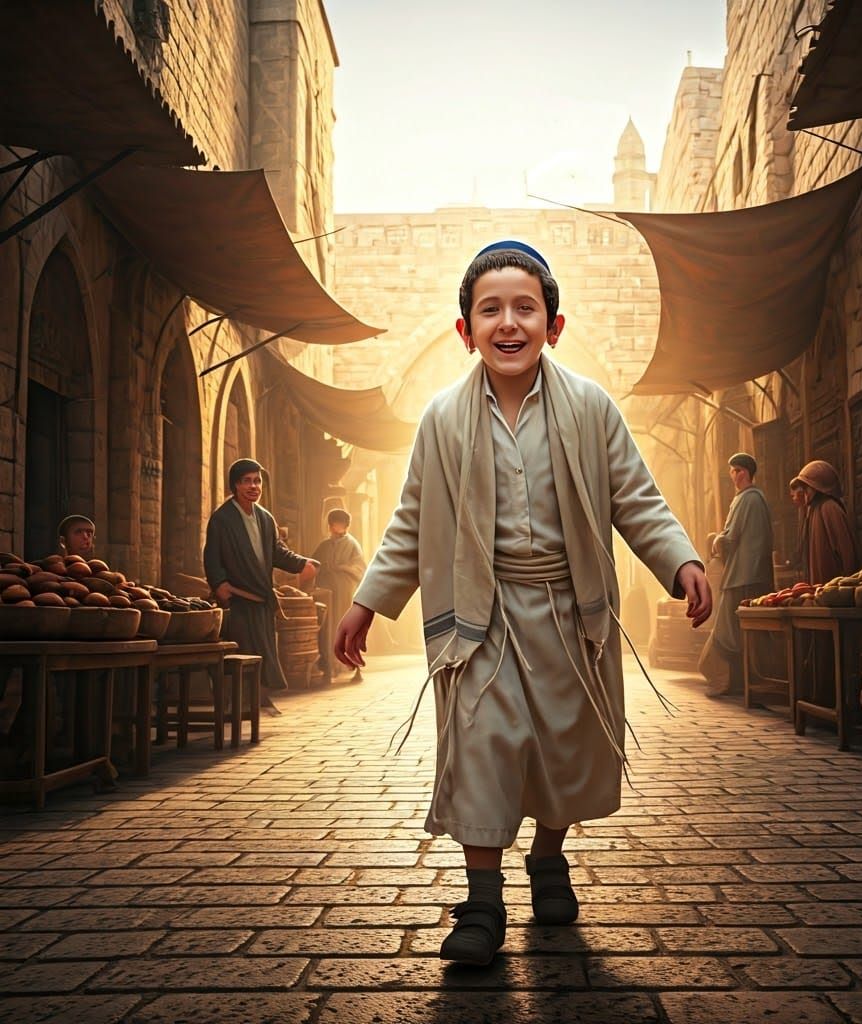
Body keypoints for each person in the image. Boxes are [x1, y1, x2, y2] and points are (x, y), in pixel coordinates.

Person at [334, 240, 711, 967]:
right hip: (480, 617)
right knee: (482, 746)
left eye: (524, 308)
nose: (509, 323)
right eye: (491, 309)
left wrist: (681, 559)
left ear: (553, 325)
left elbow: (636, 498)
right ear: (465, 329)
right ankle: (481, 900)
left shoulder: (591, 408)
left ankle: (547, 855)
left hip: (571, 617)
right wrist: (369, 601)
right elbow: (411, 520)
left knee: (562, 753)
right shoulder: (442, 420)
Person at [203, 458, 318, 715]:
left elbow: (277, 552)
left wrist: (302, 563)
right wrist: (219, 584)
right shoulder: (222, 519)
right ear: (235, 485)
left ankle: (259, 701)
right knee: (242, 650)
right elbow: (212, 556)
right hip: (237, 597)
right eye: (247, 481)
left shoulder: (265, 518)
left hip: (262, 599)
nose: (253, 486)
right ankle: (239, 704)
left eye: (257, 481)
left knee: (264, 652)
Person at [699, 453, 774, 697]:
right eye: (732, 471)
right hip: (752, 575)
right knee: (745, 632)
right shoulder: (756, 499)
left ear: (749, 473)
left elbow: (730, 538)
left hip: (742, 576)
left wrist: (715, 542)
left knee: (729, 631)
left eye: (739, 471)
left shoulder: (747, 499)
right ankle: (741, 683)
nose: (735, 475)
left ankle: (728, 682)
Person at [311, 509, 366, 681]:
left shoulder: (352, 544)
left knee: (348, 626)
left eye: (342, 523)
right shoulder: (324, 545)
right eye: (336, 523)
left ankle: (355, 667)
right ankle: (329, 667)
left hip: (345, 591)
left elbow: (359, 566)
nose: (339, 527)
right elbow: (314, 565)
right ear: (330, 525)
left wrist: (342, 568)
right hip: (328, 593)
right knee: (328, 627)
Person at [790, 460, 858, 584]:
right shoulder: (811, 509)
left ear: (817, 486)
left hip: (833, 586)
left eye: (807, 486)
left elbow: (846, 551)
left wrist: (849, 582)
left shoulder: (829, 508)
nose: (804, 491)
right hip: (820, 586)